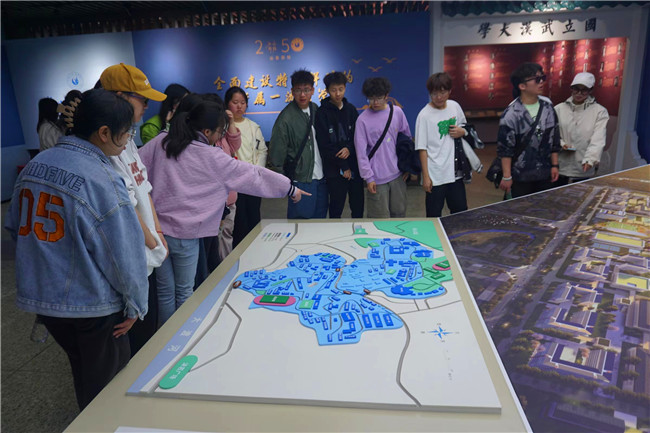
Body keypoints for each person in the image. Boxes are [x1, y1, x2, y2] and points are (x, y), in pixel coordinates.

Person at [5, 89, 149, 410]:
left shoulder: (35, 165)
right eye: (126, 132)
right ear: (104, 133)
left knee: (83, 371)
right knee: (109, 389)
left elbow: (15, 227)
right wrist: (136, 305)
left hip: (47, 303)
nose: (128, 140)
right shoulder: (103, 179)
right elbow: (123, 256)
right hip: (93, 306)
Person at [139, 100, 310, 326]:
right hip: (186, 236)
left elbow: (134, 167)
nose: (219, 137)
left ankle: (163, 339)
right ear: (207, 131)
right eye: (220, 132)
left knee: (164, 292)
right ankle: (180, 338)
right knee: (185, 291)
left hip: (158, 232)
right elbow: (253, 175)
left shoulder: (161, 142)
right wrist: (289, 188)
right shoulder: (212, 156)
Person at [98, 63, 169, 350]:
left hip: (147, 257)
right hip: (130, 262)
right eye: (142, 99)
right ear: (120, 97)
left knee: (147, 334)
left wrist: (158, 233)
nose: (147, 107)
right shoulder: (105, 144)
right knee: (131, 344)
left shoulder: (127, 138)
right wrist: (152, 242)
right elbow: (124, 203)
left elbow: (143, 188)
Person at [269, 69, 328, 219]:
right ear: (292, 91)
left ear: (312, 90)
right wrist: (284, 184)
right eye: (298, 90)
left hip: (321, 178)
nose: (302, 94)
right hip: (301, 180)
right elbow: (276, 154)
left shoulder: (316, 109)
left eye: (306, 90)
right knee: (301, 224)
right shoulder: (286, 118)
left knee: (320, 222)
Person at [415, 72, 475, 217]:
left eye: (442, 93)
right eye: (434, 94)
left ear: (449, 91)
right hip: (435, 175)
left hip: (455, 173)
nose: (439, 97)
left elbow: (465, 127)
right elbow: (422, 149)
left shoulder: (454, 106)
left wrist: (462, 131)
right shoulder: (424, 115)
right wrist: (426, 177)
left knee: (460, 213)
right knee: (434, 215)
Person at [497, 62, 560, 198]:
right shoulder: (511, 114)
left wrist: (555, 165)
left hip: (545, 172)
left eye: (542, 78)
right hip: (521, 175)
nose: (541, 82)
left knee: (544, 207)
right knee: (521, 208)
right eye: (536, 79)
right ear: (522, 86)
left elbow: (554, 139)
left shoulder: (548, 108)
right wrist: (507, 176)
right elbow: (505, 149)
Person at [354, 77, 412, 218]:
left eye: (379, 98)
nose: (375, 102)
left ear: (387, 96)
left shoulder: (397, 112)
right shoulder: (362, 120)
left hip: (398, 175)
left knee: (399, 215)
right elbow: (361, 153)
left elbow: (406, 140)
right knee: (378, 218)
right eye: (371, 98)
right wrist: (369, 178)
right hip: (376, 178)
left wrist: (407, 166)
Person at [314, 71, 364, 219]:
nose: (337, 93)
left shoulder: (351, 110)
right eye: (333, 90)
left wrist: (349, 148)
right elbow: (324, 144)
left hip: (354, 167)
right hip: (334, 169)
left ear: (345, 88)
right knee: (336, 209)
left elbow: (358, 136)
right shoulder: (322, 113)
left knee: (358, 207)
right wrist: (343, 166)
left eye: (341, 89)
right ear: (327, 90)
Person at [227, 86, 269, 246]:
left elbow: (262, 151)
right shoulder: (224, 127)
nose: (239, 106)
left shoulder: (253, 127)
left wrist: (256, 170)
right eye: (235, 102)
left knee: (253, 219)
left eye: (243, 102)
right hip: (234, 182)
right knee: (238, 222)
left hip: (253, 181)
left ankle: (255, 249)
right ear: (227, 104)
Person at [554, 72, 609, 185]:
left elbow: (598, 138)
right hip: (559, 167)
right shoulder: (559, 109)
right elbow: (551, 134)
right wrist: (561, 144)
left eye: (584, 90)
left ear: (590, 90)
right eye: (576, 89)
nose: (579, 93)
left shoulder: (599, 111)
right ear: (571, 88)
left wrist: (590, 159)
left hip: (583, 168)